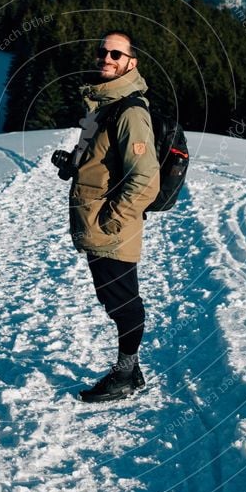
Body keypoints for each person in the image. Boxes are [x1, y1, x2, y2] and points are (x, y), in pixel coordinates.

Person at [54, 31, 160, 402]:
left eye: (116, 52)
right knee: (112, 297)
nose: (106, 57)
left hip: (112, 227)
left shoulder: (130, 111)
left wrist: (112, 221)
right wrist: (73, 164)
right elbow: (99, 159)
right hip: (100, 223)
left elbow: (146, 178)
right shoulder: (103, 105)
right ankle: (131, 369)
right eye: (102, 50)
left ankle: (126, 373)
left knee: (123, 301)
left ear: (131, 62)